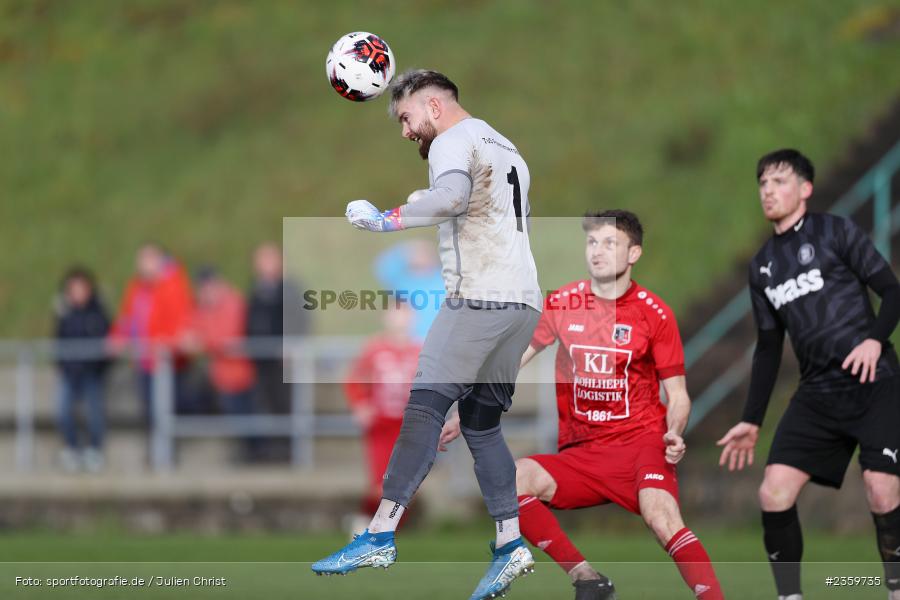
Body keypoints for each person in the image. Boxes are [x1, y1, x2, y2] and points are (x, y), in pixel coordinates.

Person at [312, 69, 543, 600]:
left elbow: (451, 198)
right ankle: (511, 544)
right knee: (481, 425)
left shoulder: (453, 140)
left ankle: (378, 533)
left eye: (406, 117)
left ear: (434, 105)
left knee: (423, 407)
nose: (405, 131)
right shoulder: (503, 143)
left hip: (479, 296)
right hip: (523, 302)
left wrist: (384, 219)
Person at [442, 210, 724, 600]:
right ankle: (587, 579)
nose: (598, 251)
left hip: (641, 445)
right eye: (593, 242)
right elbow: (512, 360)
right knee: (511, 478)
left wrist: (674, 432)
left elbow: (677, 395)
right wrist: (466, 408)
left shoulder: (653, 313)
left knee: (662, 517)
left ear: (633, 253)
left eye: (611, 243)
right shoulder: (562, 302)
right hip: (584, 452)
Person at [717, 149, 900, 600]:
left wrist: (875, 339)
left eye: (779, 182)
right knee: (773, 493)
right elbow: (767, 348)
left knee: (880, 491)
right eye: (763, 184)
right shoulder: (761, 266)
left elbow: (892, 291)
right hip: (818, 394)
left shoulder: (834, 231)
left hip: (874, 384)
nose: (768, 191)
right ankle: (790, 597)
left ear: (805, 189)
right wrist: (752, 419)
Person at [343, 300, 421, 533]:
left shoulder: (419, 350)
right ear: (385, 317)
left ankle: (384, 532)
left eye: (404, 313)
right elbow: (353, 380)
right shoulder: (375, 348)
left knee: (404, 485)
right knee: (380, 483)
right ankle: (366, 523)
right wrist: (360, 405)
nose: (400, 318)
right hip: (381, 424)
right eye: (395, 313)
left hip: (409, 426)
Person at [108, 243, 194, 423]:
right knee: (151, 410)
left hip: (168, 361)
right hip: (145, 360)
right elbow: (128, 318)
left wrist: (169, 342)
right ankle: (159, 448)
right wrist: (116, 337)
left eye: (147, 259)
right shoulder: (136, 287)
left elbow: (181, 319)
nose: (142, 264)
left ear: (159, 260)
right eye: (140, 259)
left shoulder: (173, 285)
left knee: (169, 408)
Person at [183, 267, 257, 458]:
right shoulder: (205, 307)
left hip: (240, 371)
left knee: (245, 415)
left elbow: (228, 335)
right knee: (235, 415)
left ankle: (253, 454)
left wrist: (202, 341)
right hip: (222, 373)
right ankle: (246, 453)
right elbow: (193, 328)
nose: (204, 293)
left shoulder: (232, 302)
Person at [53, 267, 110, 473]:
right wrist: (61, 365)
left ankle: (94, 449)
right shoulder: (65, 313)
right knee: (63, 410)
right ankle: (71, 448)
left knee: (94, 412)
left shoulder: (98, 312)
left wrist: (100, 367)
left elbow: (106, 342)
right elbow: (58, 340)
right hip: (70, 372)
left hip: (92, 371)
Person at [246, 242, 307, 416]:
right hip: (262, 361)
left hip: (284, 362)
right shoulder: (257, 291)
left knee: (286, 406)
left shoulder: (289, 289)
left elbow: (300, 320)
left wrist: (291, 345)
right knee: (266, 407)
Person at [374, 239, 444, 341]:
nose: (421, 257)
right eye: (418, 253)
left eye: (424, 253)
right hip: (411, 341)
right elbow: (382, 267)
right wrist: (406, 250)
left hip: (440, 339)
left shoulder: (443, 279)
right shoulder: (402, 281)